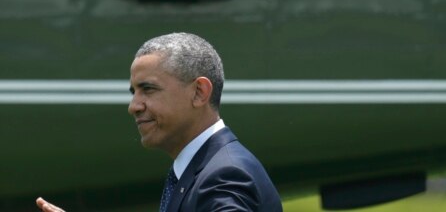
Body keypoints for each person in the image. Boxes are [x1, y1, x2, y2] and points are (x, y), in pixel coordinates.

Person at [37, 32, 282, 212]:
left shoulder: (225, 176)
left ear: (199, 92)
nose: (134, 106)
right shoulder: (203, 170)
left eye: (149, 89)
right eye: (134, 92)